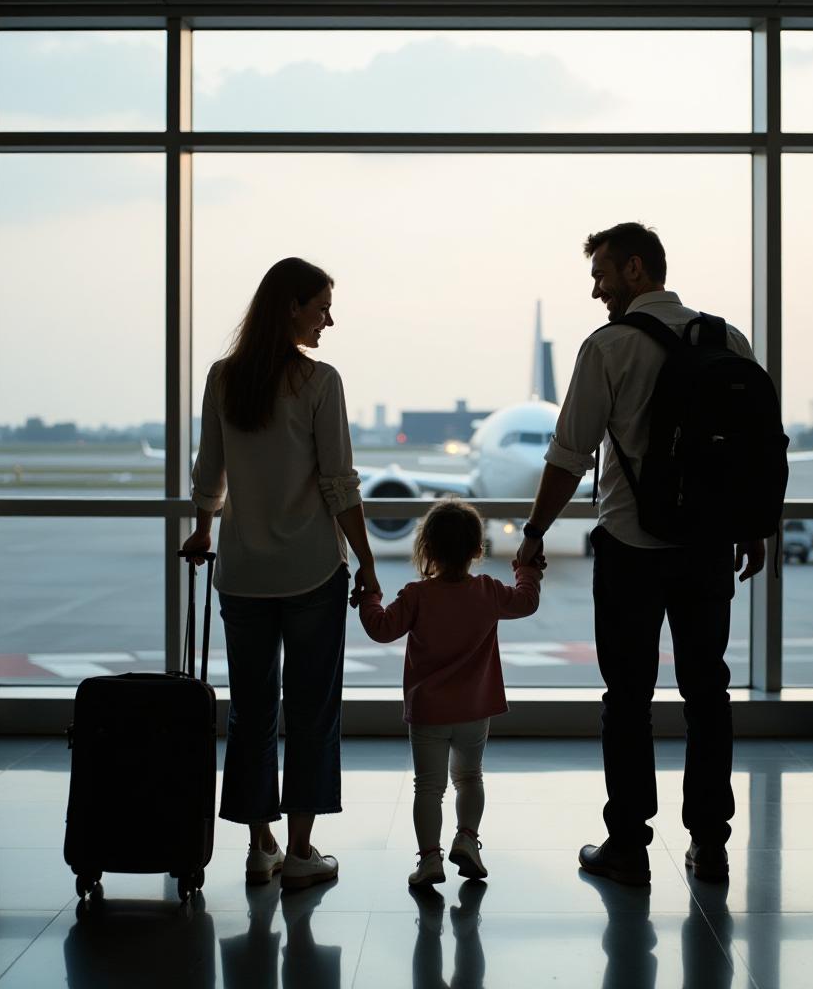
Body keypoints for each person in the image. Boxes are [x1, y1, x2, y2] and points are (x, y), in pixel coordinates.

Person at [514, 222, 767, 886]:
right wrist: (753, 526)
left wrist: (536, 530)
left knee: (627, 697)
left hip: (631, 544)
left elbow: (569, 454)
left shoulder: (609, 346)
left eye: (601, 275)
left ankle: (627, 843)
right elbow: (751, 450)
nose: (596, 291)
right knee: (707, 692)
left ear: (633, 270)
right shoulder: (728, 340)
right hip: (708, 545)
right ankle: (710, 844)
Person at [182, 256, 380, 891]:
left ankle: (259, 845)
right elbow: (338, 484)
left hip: (241, 574)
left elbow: (209, 471)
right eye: (321, 305)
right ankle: (301, 851)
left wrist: (206, 527)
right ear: (291, 306)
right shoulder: (320, 382)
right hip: (312, 571)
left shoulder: (223, 378)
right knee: (313, 710)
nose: (330, 319)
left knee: (251, 710)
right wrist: (368, 562)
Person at [354, 499, 543, 888]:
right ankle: (468, 840)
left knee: (429, 787)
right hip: (475, 708)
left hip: (428, 712)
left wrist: (369, 596)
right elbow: (526, 601)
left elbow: (381, 628)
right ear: (477, 550)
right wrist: (527, 571)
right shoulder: (488, 591)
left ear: (427, 549)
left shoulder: (416, 596)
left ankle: (429, 860)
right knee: (470, 777)